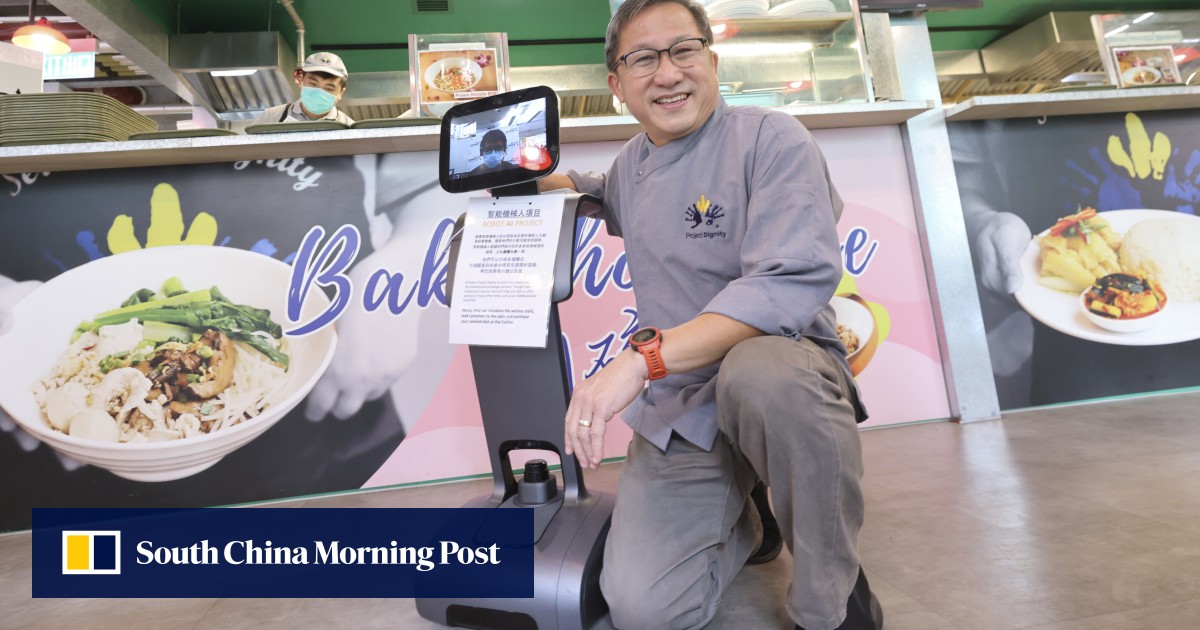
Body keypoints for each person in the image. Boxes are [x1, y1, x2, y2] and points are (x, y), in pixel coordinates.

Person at [538, 1, 881, 628]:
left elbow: (785, 282)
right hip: (686, 400)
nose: (668, 73)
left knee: (760, 372)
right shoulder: (631, 165)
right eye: (643, 58)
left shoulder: (772, 138)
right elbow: (600, 192)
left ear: (712, 60)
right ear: (617, 84)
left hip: (781, 373)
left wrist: (640, 362)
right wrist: (534, 182)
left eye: (683, 50)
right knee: (643, 610)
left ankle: (832, 596)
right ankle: (749, 516)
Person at [252, 52, 355, 126]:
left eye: (328, 88)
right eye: (313, 83)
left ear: (341, 93)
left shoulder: (349, 128)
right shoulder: (270, 118)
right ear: (301, 80)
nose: (319, 92)